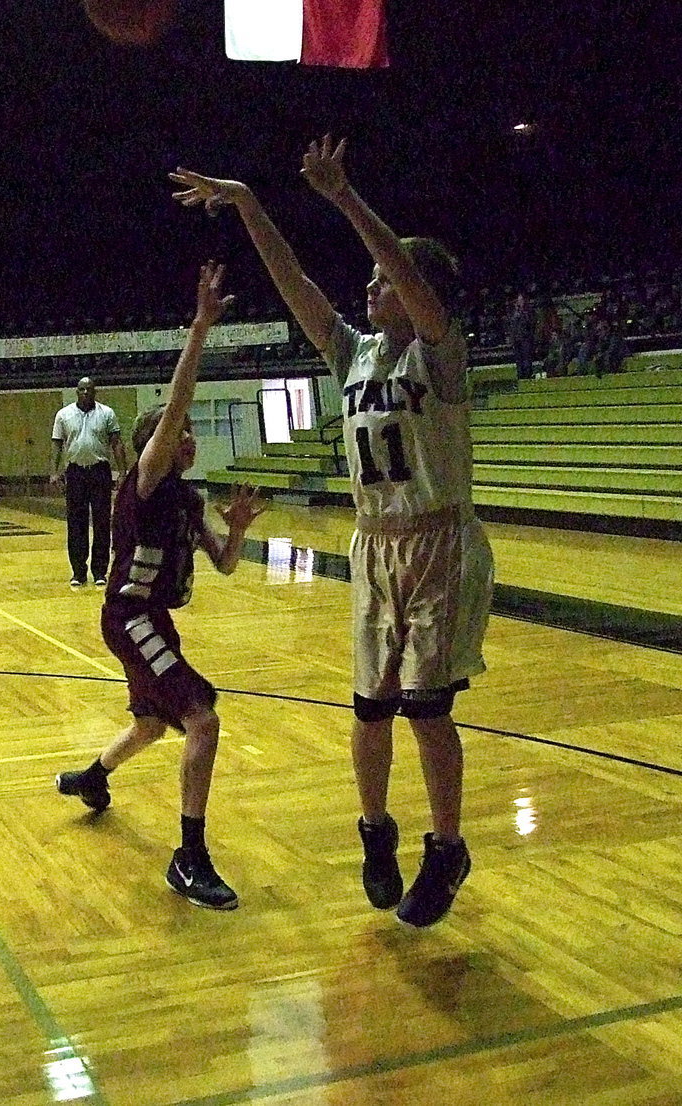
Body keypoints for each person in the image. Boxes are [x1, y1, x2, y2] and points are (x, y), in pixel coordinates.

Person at [171, 136, 493, 927]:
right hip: (374, 543)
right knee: (369, 709)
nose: (372, 282)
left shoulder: (440, 355)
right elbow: (297, 286)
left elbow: (405, 275)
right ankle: (375, 830)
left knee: (428, 709)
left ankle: (446, 847)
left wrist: (346, 198)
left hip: (437, 542)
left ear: (418, 291)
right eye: (376, 277)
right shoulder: (352, 354)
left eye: (387, 278)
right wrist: (249, 200)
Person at [55, 263, 264, 910]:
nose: (191, 438)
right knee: (203, 721)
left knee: (151, 723)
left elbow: (226, 566)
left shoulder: (187, 497)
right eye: (183, 434)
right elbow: (175, 406)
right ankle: (189, 858)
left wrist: (232, 532)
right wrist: (199, 330)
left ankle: (94, 777)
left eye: (193, 434)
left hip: (152, 620)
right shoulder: (143, 484)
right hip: (128, 615)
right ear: (160, 444)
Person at [50, 376, 128, 587]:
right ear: (76, 392)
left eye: (89, 389)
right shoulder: (63, 415)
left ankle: (100, 572)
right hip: (75, 473)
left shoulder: (107, 413)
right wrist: (54, 472)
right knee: (76, 524)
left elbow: (117, 443)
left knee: (102, 523)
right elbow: (57, 445)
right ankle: (78, 572)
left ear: (95, 392)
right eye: (82, 389)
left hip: (99, 472)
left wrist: (122, 472)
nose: (85, 393)